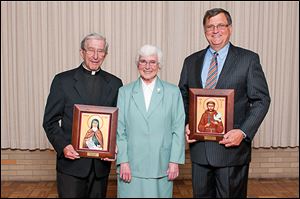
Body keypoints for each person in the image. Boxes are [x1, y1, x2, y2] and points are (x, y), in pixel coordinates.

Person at [178, 8, 271, 198]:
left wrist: (243, 132)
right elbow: (183, 96)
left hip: (232, 151)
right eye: (210, 26)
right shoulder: (191, 61)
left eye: (220, 25)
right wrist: (187, 123)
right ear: (204, 31)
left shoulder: (248, 60)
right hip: (200, 151)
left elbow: (262, 100)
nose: (215, 30)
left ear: (230, 28)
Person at [43, 33, 123, 198]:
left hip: (100, 167)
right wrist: (64, 146)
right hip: (71, 166)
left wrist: (114, 146)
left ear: (105, 55)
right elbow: (50, 121)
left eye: (100, 51)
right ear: (82, 52)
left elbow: (118, 122)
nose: (95, 56)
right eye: (91, 50)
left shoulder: (115, 83)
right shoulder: (62, 81)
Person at [116, 44, 185, 198]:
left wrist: (174, 161)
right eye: (143, 61)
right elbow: (119, 131)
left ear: (159, 65)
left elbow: (178, 129)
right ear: (137, 64)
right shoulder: (124, 92)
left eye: (152, 62)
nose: (147, 66)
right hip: (131, 167)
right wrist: (123, 161)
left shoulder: (173, 92)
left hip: (161, 165)